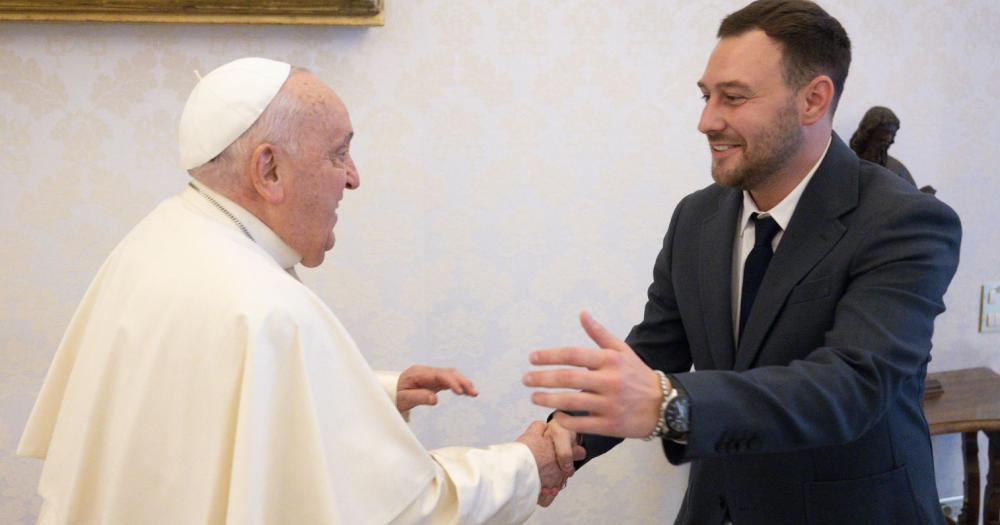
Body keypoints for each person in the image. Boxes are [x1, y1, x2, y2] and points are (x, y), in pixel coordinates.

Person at [18, 57, 572, 524]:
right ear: (269, 171)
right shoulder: (266, 309)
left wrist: (371, 392)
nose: (353, 177)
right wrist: (526, 466)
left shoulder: (162, 239)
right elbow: (404, 511)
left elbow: (211, 407)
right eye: (338, 153)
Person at [523, 1, 961, 524]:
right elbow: (656, 355)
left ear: (813, 100)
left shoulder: (906, 221)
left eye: (732, 98)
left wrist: (670, 404)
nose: (707, 121)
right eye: (707, 97)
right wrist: (563, 436)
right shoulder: (696, 216)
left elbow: (851, 385)